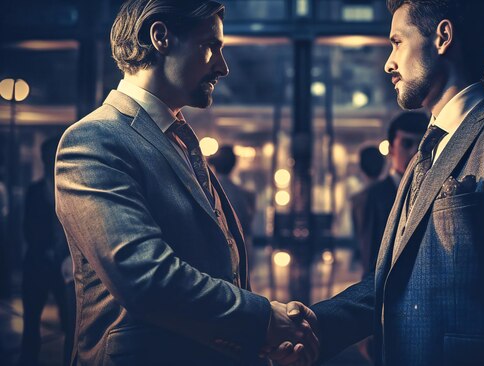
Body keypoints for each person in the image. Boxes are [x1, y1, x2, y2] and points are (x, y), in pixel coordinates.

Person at [283, 1, 484, 365]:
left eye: (397, 42)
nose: (388, 63)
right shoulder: (427, 150)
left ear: (443, 37)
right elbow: (395, 282)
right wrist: (316, 323)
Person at [54, 1, 317, 365]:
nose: (223, 67)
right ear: (160, 36)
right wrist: (262, 318)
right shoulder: (94, 139)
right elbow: (144, 276)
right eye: (211, 45)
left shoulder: (175, 137)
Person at [18, 136, 72, 366]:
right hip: (38, 264)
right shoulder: (35, 190)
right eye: (47, 156)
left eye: (54, 155)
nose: (50, 160)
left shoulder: (69, 189)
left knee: (71, 324)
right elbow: (28, 227)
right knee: (31, 324)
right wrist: (46, 250)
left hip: (64, 266)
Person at [352, 113, 428, 274]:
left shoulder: (431, 190)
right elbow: (371, 263)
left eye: (421, 145)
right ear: (391, 149)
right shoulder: (373, 197)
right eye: (407, 144)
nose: (415, 152)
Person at [208, 145, 256, 267]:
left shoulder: (207, 192)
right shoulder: (245, 194)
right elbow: (247, 223)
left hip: (217, 252)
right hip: (242, 251)